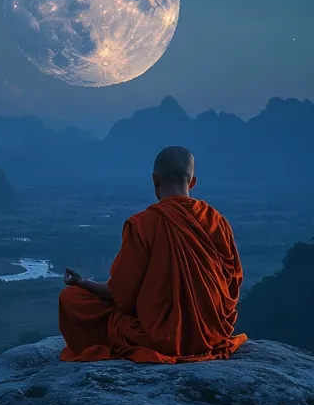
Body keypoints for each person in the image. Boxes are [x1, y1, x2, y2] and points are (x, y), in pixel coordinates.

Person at [57, 146, 247, 363]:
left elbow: (121, 295)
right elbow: (233, 286)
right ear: (193, 182)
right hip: (211, 334)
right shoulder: (217, 221)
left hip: (160, 338)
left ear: (155, 180)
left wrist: (82, 282)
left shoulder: (142, 224)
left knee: (71, 298)